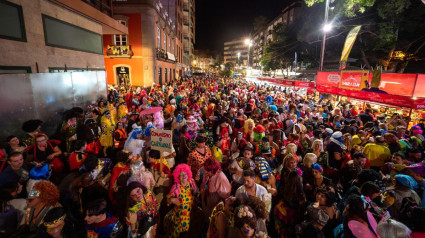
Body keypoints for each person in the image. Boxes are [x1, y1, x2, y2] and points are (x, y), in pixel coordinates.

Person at [164, 164, 199, 237]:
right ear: (178, 177)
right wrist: (172, 199)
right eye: (181, 175)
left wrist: (197, 191)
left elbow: (197, 192)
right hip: (180, 215)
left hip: (191, 213)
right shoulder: (176, 186)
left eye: (185, 173)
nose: (184, 176)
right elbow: (168, 199)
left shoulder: (191, 182)